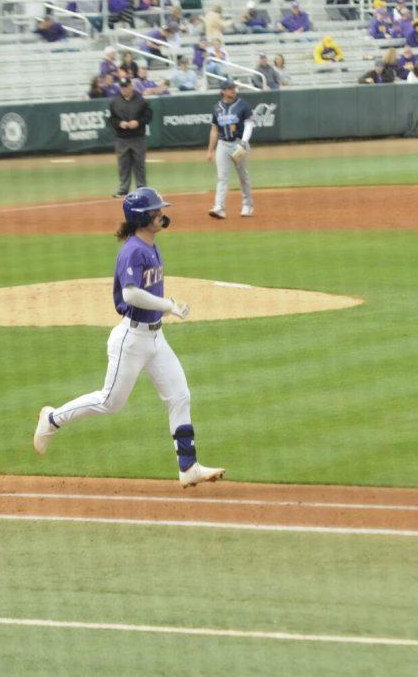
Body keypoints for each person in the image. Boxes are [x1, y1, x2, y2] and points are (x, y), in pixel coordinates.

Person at [32, 187, 225, 490]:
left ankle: (188, 467)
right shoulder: (133, 250)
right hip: (131, 339)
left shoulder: (152, 246)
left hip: (156, 339)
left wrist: (165, 309)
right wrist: (168, 305)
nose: (162, 213)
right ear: (141, 217)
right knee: (110, 403)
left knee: (180, 396)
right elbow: (131, 293)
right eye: (156, 210)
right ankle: (53, 418)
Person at [206, 80, 254, 219]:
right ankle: (219, 207)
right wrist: (210, 150)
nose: (233, 90)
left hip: (239, 143)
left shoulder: (243, 105)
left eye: (233, 88)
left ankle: (247, 205)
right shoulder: (217, 108)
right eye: (229, 88)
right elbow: (214, 130)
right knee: (222, 177)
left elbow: (249, 125)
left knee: (243, 175)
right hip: (223, 144)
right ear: (223, 91)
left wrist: (244, 142)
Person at [108, 77, 154, 198]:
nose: (124, 89)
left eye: (126, 86)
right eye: (122, 87)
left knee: (139, 164)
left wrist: (138, 122)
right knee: (123, 164)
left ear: (131, 86)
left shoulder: (141, 100)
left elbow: (148, 116)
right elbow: (112, 119)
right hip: (121, 138)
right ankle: (123, 189)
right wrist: (119, 123)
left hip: (138, 137)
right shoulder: (114, 101)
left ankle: (142, 188)